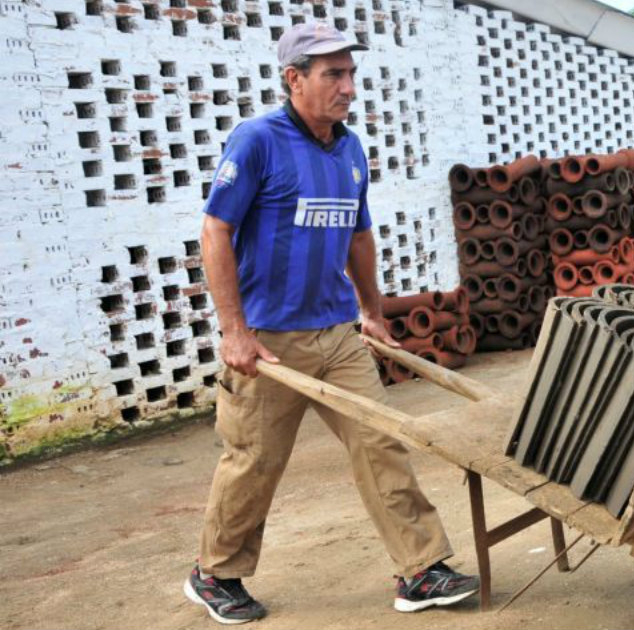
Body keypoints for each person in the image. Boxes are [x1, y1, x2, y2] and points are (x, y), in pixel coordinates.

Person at [182, 22, 478, 624]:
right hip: (269, 340)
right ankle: (215, 573)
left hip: (338, 333)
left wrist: (372, 310)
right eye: (333, 75)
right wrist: (234, 331)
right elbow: (216, 230)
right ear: (295, 79)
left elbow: (358, 234)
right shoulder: (257, 141)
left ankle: (420, 570)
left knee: (381, 442)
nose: (348, 86)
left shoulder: (348, 149)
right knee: (255, 460)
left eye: (350, 73)